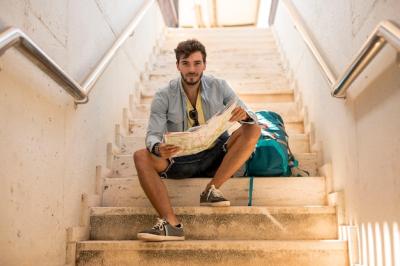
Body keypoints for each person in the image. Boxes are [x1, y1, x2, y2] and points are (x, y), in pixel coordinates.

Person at [133, 39, 260, 242]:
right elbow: (153, 133)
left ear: (204, 64)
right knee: (141, 156)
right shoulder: (163, 95)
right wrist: (157, 147)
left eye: (197, 63)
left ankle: (211, 190)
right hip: (180, 160)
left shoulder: (220, 86)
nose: (192, 69)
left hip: (217, 155)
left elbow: (250, 112)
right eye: (186, 63)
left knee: (253, 128)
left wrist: (244, 115)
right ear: (177, 66)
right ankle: (171, 224)